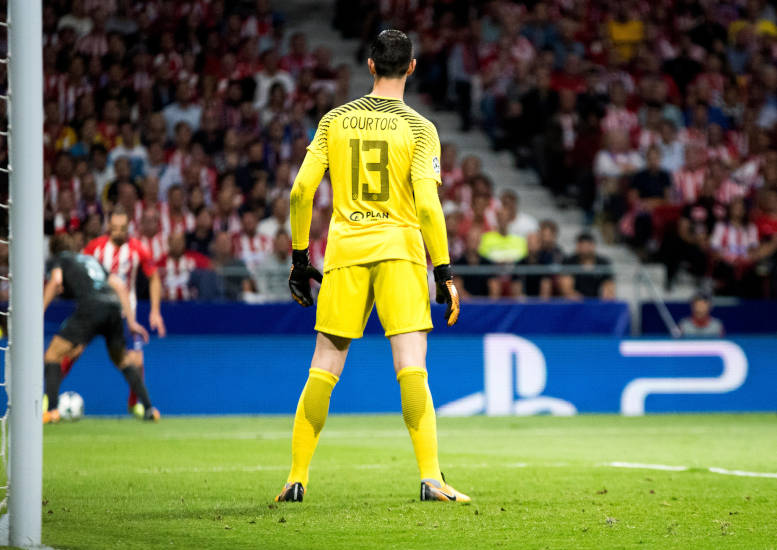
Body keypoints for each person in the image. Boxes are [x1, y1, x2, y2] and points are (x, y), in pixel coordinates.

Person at [276, 30, 469, 504]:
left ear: (368, 65)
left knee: (323, 366)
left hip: (344, 251)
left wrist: (301, 260)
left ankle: (296, 479)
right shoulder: (420, 129)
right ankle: (430, 479)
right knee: (411, 367)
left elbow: (300, 193)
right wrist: (443, 271)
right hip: (400, 251)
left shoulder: (333, 121)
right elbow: (427, 206)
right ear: (411, 67)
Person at [42, 234, 159, 423]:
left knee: (52, 355)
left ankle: (52, 410)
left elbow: (56, 281)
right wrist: (131, 322)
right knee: (122, 359)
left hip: (91, 307)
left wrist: (39, 311)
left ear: (54, 249)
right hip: (113, 306)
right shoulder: (90, 260)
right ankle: (149, 408)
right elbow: (120, 287)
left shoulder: (59, 259)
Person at [82, 208, 166, 417]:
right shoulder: (95, 248)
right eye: (115, 227)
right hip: (97, 310)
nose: (118, 232)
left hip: (125, 314)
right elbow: (79, 269)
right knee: (71, 351)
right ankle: (49, 399)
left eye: (122, 228)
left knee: (137, 360)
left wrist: (155, 311)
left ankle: (135, 405)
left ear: (129, 228)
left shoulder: (138, 249)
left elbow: (154, 277)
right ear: (108, 226)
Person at [559, 232, 616, 299]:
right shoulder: (568, 262)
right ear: (578, 246)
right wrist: (572, 294)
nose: (585, 249)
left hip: (597, 302)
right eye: (582, 245)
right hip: (575, 304)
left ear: (593, 245)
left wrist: (607, 294)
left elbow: (609, 285)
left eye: (588, 245)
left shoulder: (604, 263)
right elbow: (566, 287)